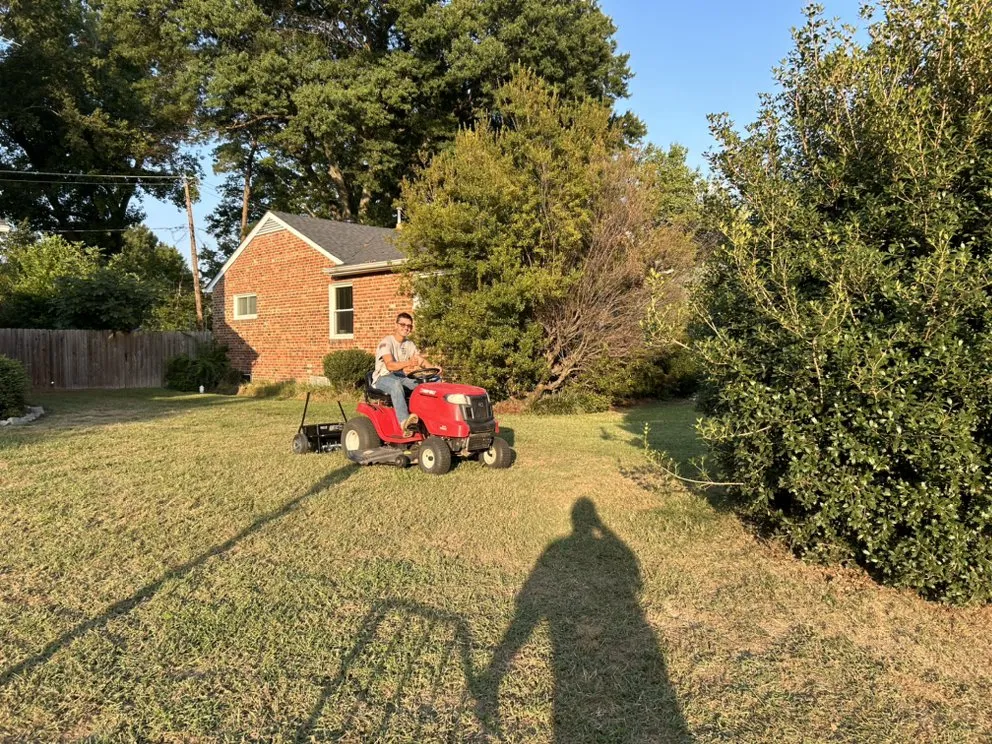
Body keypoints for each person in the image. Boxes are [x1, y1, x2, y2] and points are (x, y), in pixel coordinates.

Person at [371, 312, 439, 434]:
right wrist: (408, 363)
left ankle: (432, 418)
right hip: (383, 378)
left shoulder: (409, 344)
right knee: (396, 384)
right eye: (403, 324)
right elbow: (390, 365)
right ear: (396, 325)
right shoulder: (386, 342)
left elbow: (420, 360)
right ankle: (405, 424)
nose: (406, 327)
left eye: (409, 326)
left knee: (427, 384)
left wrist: (434, 369)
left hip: (401, 377)